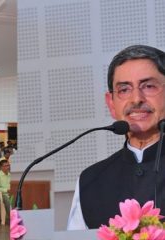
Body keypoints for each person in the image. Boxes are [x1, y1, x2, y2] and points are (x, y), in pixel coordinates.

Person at [67, 45, 165, 230]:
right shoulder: (91, 180)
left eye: (149, 86)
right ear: (111, 104)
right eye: (124, 89)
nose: (136, 98)